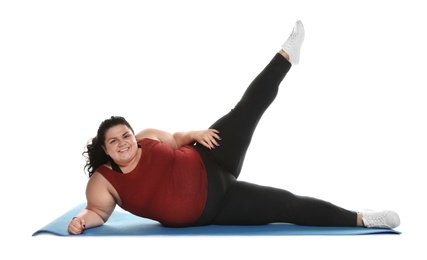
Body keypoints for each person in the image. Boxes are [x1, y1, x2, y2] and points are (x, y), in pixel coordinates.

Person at [68, 20, 400, 235]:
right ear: (105, 148)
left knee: (246, 109)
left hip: (210, 157)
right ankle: (363, 218)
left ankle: (285, 56)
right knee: (286, 204)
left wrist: (196, 134)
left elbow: (176, 138)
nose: (124, 142)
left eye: (126, 134)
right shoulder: (103, 180)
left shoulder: (147, 139)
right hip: (215, 208)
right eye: (114, 141)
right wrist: (83, 221)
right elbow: (98, 210)